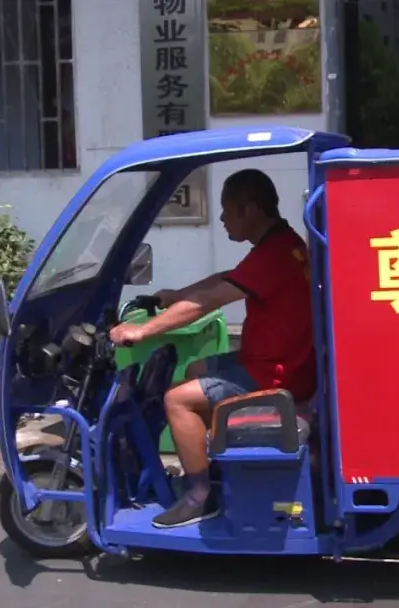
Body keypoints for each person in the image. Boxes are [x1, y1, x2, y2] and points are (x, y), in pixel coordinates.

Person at [110, 168, 316, 529]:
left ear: (250, 210)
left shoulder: (273, 255)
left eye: (227, 210)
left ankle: (199, 495)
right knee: (195, 370)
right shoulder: (279, 244)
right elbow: (225, 279)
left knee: (177, 399)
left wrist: (143, 331)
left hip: (274, 376)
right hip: (278, 362)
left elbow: (210, 301)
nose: (221, 218)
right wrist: (177, 294)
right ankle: (216, 463)